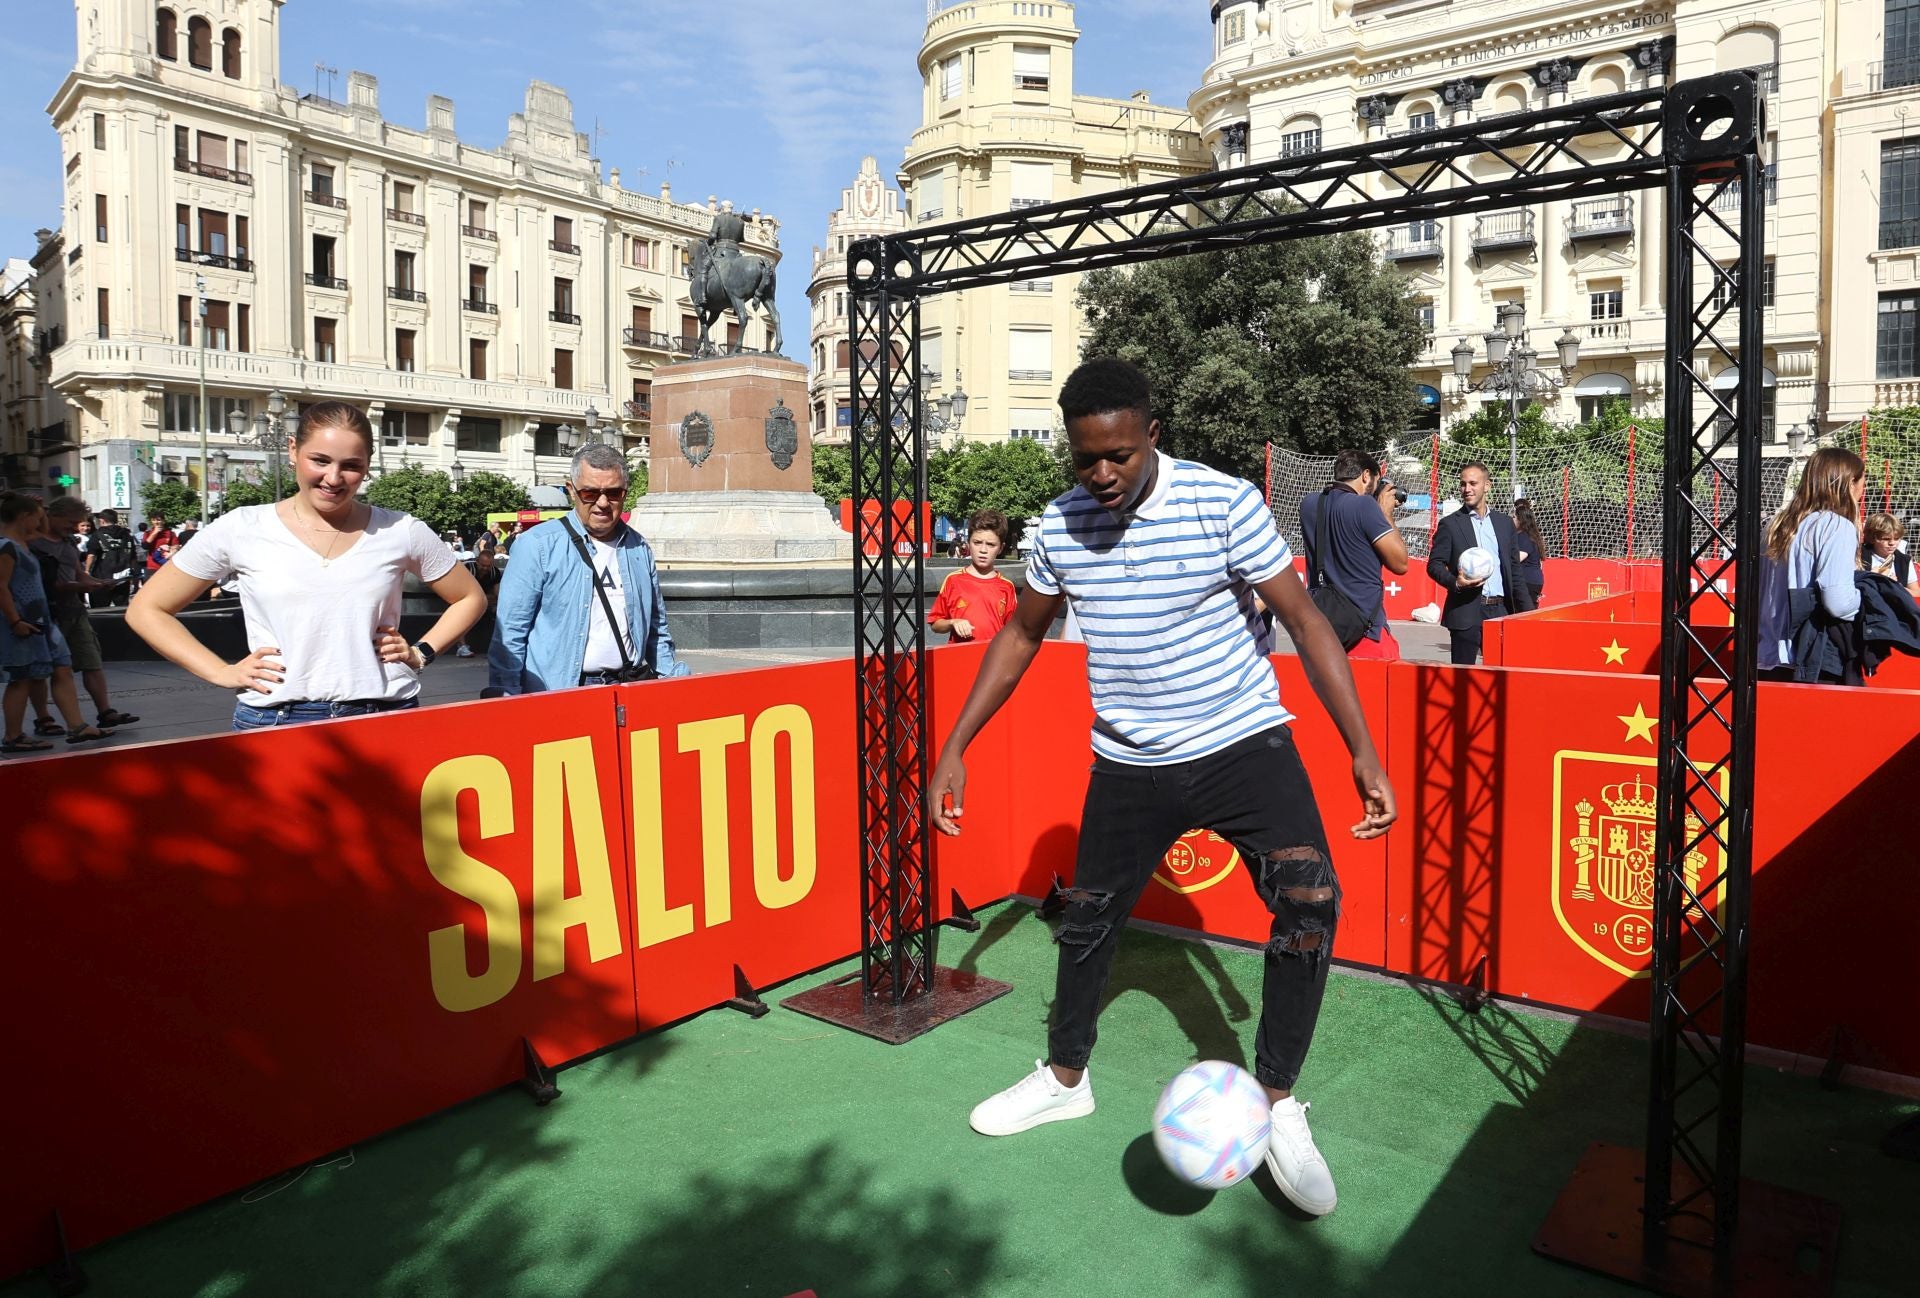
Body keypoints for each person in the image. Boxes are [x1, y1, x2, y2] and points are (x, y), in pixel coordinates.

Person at [927, 358, 1395, 1218]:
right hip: (1131, 762)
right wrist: (956, 743)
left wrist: (1361, 750)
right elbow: (1022, 638)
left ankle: (1279, 1103)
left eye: (1119, 456)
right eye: (1084, 459)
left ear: (1152, 436)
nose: (1101, 474)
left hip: (1244, 743)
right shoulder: (1060, 525)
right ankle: (1067, 1076)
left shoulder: (1222, 503)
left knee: (1310, 901)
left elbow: (1303, 619)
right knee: (1087, 920)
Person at [127, 401, 486, 730]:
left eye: (351, 466)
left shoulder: (400, 530)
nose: (333, 478)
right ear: (293, 451)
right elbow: (147, 609)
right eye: (320, 460)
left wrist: (420, 653)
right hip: (272, 720)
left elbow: (470, 597)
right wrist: (220, 671)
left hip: (385, 714)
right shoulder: (241, 528)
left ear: (367, 466)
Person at [488, 443, 690, 694]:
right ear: (572, 490)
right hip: (560, 691)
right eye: (591, 493)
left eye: (613, 493)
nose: (603, 503)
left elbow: (656, 629)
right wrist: (505, 696)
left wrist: (674, 680)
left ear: (625, 493)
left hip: (628, 686)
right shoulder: (537, 545)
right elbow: (510, 632)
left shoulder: (638, 547)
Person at [1, 494, 114, 751]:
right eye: (37, 517)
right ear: (24, 517)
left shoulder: (24, 542)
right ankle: (13, 736)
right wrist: (15, 620)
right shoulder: (7, 546)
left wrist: (39, 507)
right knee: (21, 678)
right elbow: (1, 587)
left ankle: (78, 726)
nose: (42, 521)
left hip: (41, 620)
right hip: (22, 621)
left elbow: (45, 528)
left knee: (62, 667)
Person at [1758, 448, 1866, 685]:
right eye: (1862, 480)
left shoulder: (1776, 525)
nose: (1863, 489)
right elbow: (1837, 602)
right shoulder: (1836, 526)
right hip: (1810, 658)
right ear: (1849, 482)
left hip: (1765, 654)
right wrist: (1867, 599)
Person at [1298, 449, 1409, 662]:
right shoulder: (1365, 506)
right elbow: (1400, 563)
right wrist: (1385, 513)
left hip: (1323, 627)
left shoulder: (1310, 504)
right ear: (1366, 476)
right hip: (1364, 631)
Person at [38, 496, 139, 730]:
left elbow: (78, 575)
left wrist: (98, 582)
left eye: (79, 523)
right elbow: (49, 583)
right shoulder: (33, 542)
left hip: (74, 609)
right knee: (45, 670)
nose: (75, 528)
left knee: (92, 661)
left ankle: (106, 712)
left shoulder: (69, 542)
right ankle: (44, 718)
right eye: (71, 522)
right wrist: (84, 585)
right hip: (48, 612)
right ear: (53, 515)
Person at [1426, 462, 1536, 665]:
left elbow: (1514, 571)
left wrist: (1528, 612)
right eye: (1463, 484)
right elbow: (1434, 565)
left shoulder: (1504, 524)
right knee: (1463, 682)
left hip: (1500, 611)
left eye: (1473, 483)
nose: (1467, 489)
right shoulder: (1450, 524)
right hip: (1466, 611)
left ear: (1487, 486)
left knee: (1501, 679)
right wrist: (1456, 583)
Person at [928, 509, 1020, 645]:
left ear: (1001, 548)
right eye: (977, 542)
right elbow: (935, 623)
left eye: (991, 545)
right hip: (960, 659)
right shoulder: (953, 580)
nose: (983, 550)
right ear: (968, 543)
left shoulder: (1006, 587)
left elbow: (1014, 631)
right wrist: (953, 622)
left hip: (993, 660)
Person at [1862, 512, 1920, 599]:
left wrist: (1897, 588)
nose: (1892, 543)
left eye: (1896, 539)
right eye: (1886, 539)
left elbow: (1916, 592)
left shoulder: (1904, 561)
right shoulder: (1860, 557)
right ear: (1872, 538)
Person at [89, 509, 139, 607]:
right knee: (121, 607)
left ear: (102, 521)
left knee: (99, 608)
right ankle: (121, 622)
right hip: (122, 576)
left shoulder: (97, 535)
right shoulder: (126, 534)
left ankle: (101, 622)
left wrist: (86, 571)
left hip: (101, 575)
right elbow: (133, 556)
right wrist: (131, 573)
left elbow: (91, 554)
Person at [1513, 496, 1547, 608]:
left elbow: (1516, 558)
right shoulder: (1532, 536)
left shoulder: (1524, 537)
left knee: (1522, 612)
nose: (1511, 519)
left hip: (1528, 581)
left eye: (1514, 517)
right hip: (1534, 580)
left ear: (1520, 519)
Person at [142, 512, 177, 576]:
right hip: (152, 566)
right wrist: (154, 533)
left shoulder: (170, 533)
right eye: (153, 520)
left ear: (163, 521)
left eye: (158, 520)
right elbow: (145, 546)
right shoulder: (148, 533)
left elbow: (176, 546)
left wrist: (171, 551)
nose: (156, 522)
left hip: (166, 564)